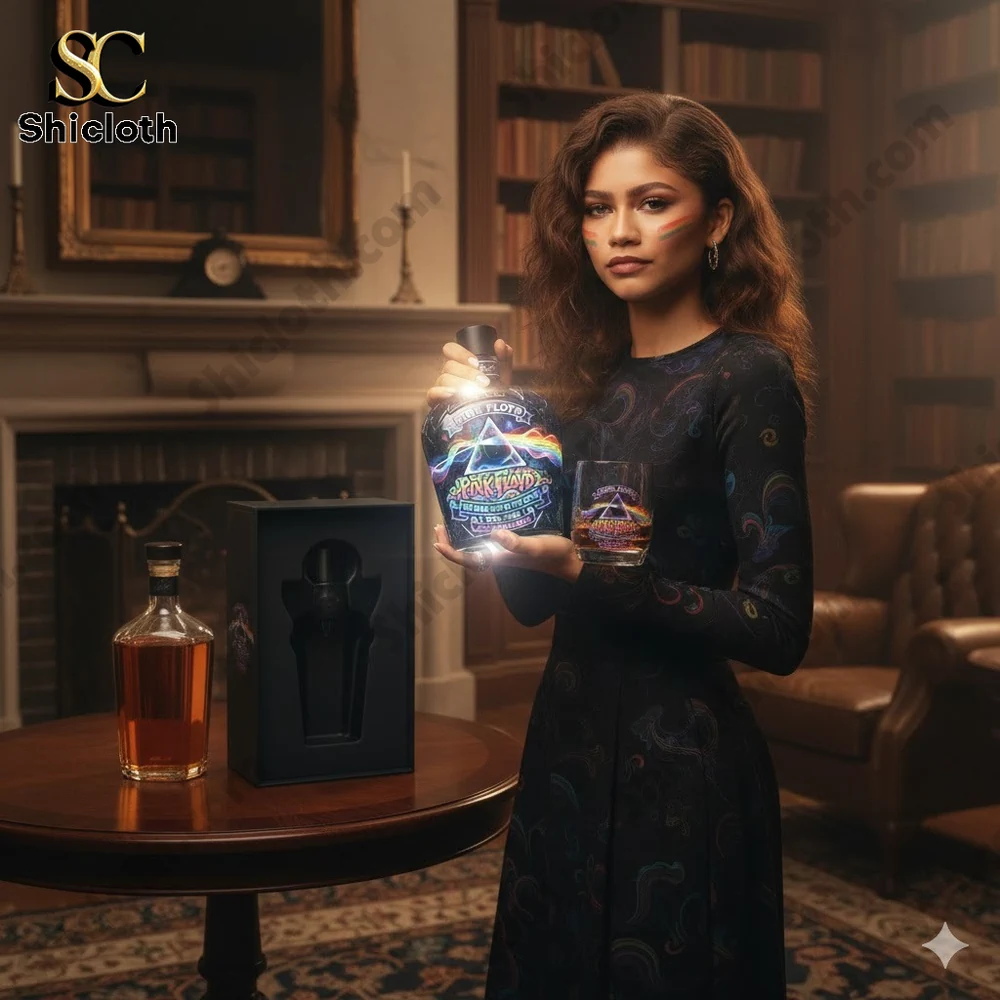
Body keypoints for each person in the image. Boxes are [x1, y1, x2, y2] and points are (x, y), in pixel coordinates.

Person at [426, 92, 816, 999]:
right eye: (599, 208)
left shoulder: (746, 375)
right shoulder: (581, 393)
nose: (619, 231)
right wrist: (475, 448)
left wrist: (594, 571)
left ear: (717, 219)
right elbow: (537, 602)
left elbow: (779, 625)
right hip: (564, 749)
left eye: (653, 201)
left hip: (680, 768)